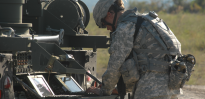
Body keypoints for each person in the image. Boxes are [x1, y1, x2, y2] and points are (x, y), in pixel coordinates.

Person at [86, 0, 184, 99]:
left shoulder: (124, 28)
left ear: (109, 14)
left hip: (150, 89)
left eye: (104, 23)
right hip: (172, 87)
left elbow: (115, 65)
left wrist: (104, 90)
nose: (107, 28)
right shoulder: (147, 20)